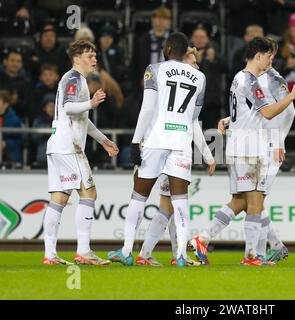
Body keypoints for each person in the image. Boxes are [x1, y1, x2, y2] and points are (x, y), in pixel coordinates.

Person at [200, 37, 295, 267]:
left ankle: (266, 248)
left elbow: (273, 112)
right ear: (259, 55)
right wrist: (291, 97)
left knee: (250, 200)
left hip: (258, 142)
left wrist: (277, 139)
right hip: (254, 145)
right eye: (269, 55)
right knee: (253, 201)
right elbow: (271, 111)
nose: (272, 59)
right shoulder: (254, 78)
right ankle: (254, 252)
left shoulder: (259, 77)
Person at [107, 32, 207, 268]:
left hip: (156, 140)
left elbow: (148, 108)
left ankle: (126, 251)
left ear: (170, 47)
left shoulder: (154, 68)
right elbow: (194, 118)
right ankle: (181, 254)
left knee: (139, 196)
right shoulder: (200, 77)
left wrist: (135, 141)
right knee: (180, 201)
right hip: (181, 142)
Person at [42, 40, 119, 265]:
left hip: (58, 146)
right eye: (89, 55)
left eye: (95, 55)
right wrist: (91, 104)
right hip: (69, 148)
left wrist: (103, 140)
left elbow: (80, 118)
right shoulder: (74, 78)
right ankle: (84, 252)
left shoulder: (75, 79)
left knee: (59, 198)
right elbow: (68, 107)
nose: (94, 59)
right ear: (77, 58)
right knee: (89, 194)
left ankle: (50, 255)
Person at [136, 47, 215, 267]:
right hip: (171, 149)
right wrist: (208, 156)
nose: (197, 65)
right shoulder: (189, 82)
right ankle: (165, 253)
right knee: (172, 205)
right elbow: (193, 124)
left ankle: (164, 253)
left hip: (156, 146)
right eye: (194, 59)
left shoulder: (165, 79)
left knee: (167, 206)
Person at [131, 6, 172, 86]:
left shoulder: (175, 40)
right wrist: (140, 79)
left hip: (169, 81)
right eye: (157, 17)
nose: (161, 21)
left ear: (169, 22)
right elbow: (135, 64)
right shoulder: (142, 40)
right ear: (152, 20)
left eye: (164, 18)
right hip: (146, 80)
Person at [0, 90, 23, 164]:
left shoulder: (15, 120)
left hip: (10, 155)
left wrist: (5, 143)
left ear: (5, 104)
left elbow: (19, 141)